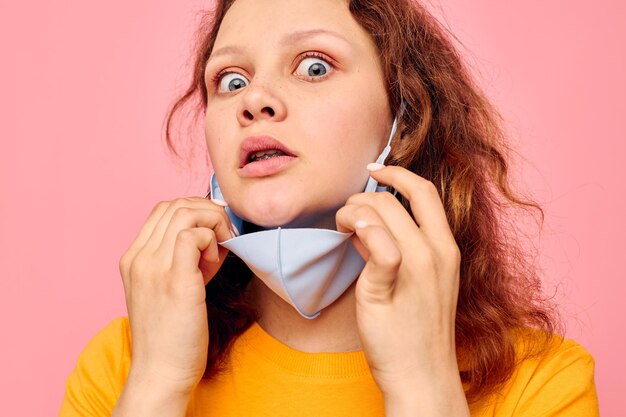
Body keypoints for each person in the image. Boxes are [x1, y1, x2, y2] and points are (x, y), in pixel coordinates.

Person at [59, 0, 600, 416]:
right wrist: (157, 384)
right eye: (231, 80)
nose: (254, 99)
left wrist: (421, 382)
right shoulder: (125, 363)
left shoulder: (541, 382)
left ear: (404, 122)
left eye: (314, 67)